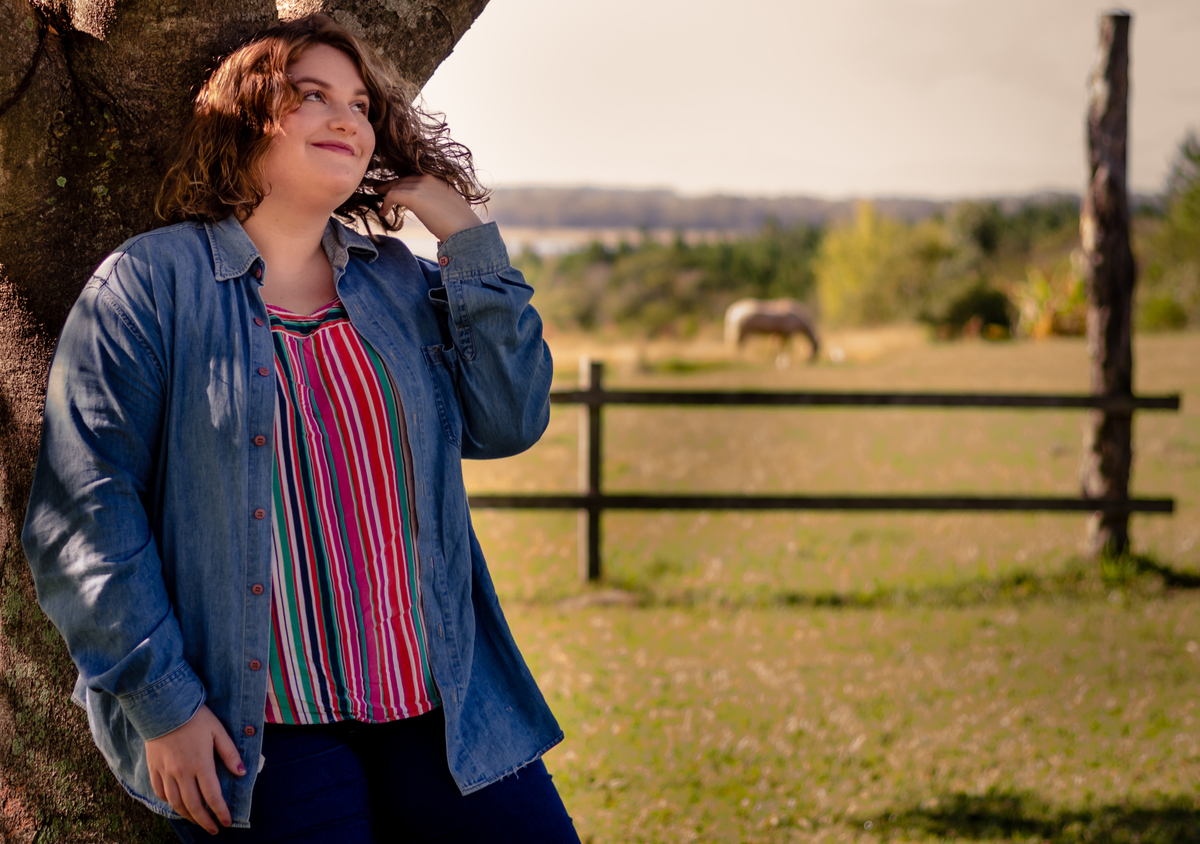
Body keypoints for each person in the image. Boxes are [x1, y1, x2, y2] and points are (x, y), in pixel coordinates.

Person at [22, 14, 579, 843]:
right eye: (311, 95)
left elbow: (508, 420)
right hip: (260, 735)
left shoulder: (399, 282)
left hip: (438, 709)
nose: (347, 117)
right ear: (244, 116)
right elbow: (85, 515)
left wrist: (466, 242)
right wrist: (164, 707)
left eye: (360, 103)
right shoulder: (148, 285)